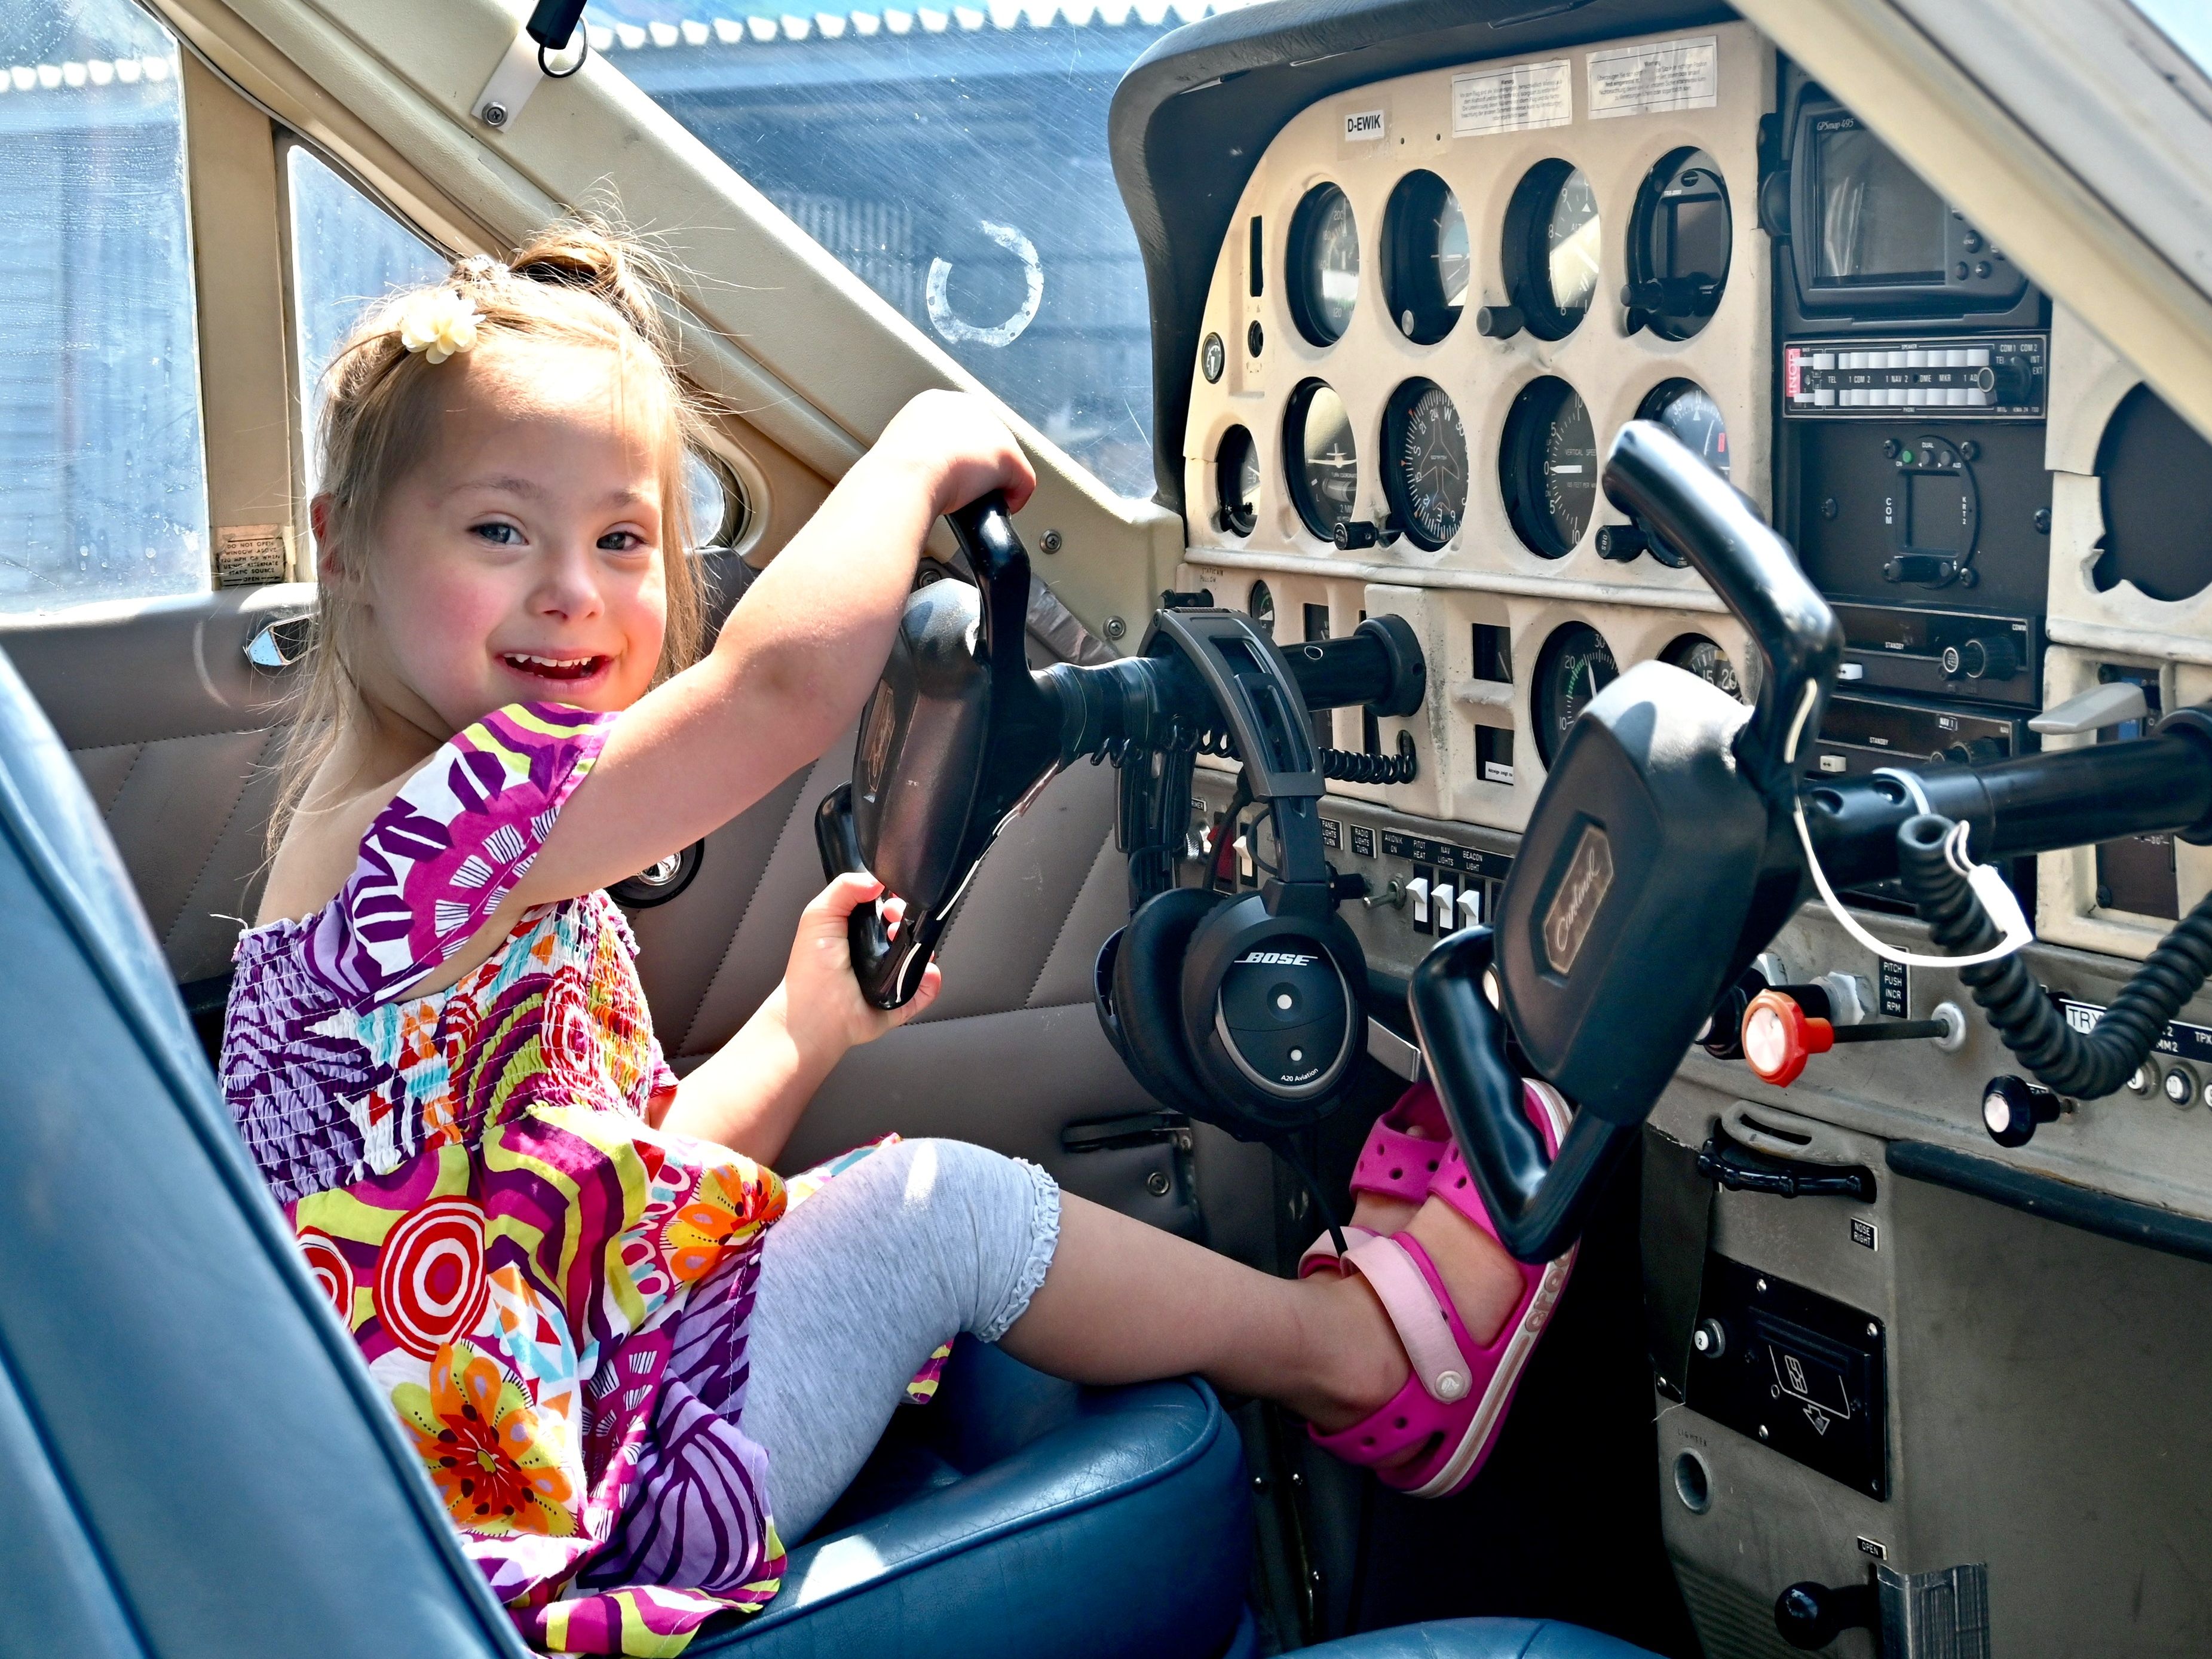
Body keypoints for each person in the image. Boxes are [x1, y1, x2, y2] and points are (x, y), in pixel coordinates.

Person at [219, 217, 1574, 1658]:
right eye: (500, 531)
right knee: (938, 1209)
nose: (574, 589)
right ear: (344, 550)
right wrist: (922, 443)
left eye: (623, 538)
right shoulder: (434, 835)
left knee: (868, 1192)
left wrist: (806, 1025)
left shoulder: (418, 847)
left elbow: (605, 1204)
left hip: (547, 1424)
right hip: (567, 1522)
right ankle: (1358, 1361)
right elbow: (774, 696)